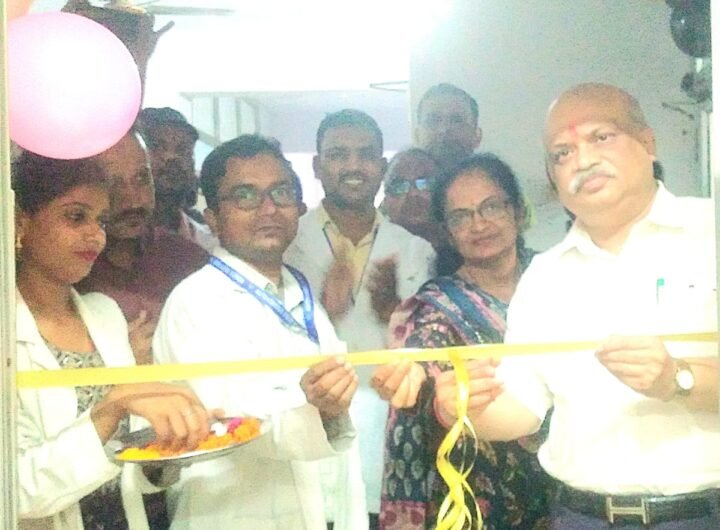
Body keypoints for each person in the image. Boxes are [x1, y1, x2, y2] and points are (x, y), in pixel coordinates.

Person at [435, 83, 720, 528]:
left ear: (648, 143)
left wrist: (678, 379)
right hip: (580, 516)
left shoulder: (710, 232)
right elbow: (523, 408)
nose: (582, 161)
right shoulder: (545, 275)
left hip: (699, 514)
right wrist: (463, 407)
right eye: (562, 153)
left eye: (601, 137)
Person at [152, 134, 367, 530]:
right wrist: (321, 408)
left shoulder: (301, 292)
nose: (269, 209)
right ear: (212, 217)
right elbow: (240, 424)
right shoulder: (196, 301)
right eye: (246, 196)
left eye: (281, 192)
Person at [13, 151, 216, 530]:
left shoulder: (104, 315)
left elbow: (129, 470)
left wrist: (174, 442)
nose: (96, 235)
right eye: (76, 217)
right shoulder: (9, 334)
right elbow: (17, 491)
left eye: (101, 220)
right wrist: (110, 411)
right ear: (20, 221)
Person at [372, 154, 552, 530]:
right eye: (460, 216)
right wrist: (412, 376)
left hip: (572, 495)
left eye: (491, 207)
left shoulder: (560, 278)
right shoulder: (436, 305)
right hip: (477, 500)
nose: (478, 224)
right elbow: (423, 355)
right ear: (448, 231)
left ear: (517, 211)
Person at [285, 110, 436, 525]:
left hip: (390, 443)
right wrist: (324, 311)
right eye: (338, 155)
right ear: (317, 166)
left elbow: (428, 351)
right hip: (306, 437)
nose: (353, 166)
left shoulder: (414, 249)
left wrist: (395, 319)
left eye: (366, 155)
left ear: (382, 168)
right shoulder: (287, 242)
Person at [77, 131, 208, 365]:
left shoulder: (189, 261)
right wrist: (114, 360)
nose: (133, 200)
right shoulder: (70, 270)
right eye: (112, 183)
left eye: (142, 179)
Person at [138, 107, 218, 252]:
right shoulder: (101, 239)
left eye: (183, 149)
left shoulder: (210, 247)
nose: (172, 157)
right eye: (157, 147)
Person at [379, 148, 444, 250]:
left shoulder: (462, 248)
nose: (412, 194)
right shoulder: (369, 251)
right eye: (399, 186)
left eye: (424, 183)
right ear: (385, 199)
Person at [415, 83, 482, 171]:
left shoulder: (495, 179)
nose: (443, 130)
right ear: (417, 135)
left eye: (456, 121)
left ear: (477, 136)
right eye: (432, 121)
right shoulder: (400, 178)